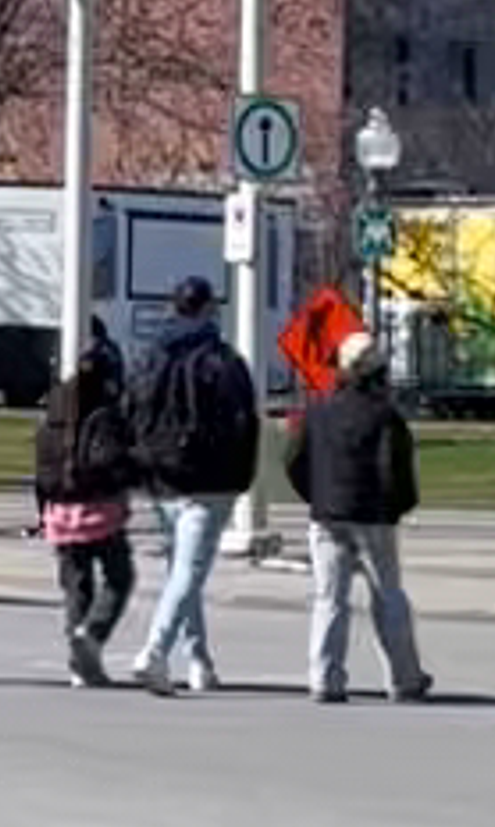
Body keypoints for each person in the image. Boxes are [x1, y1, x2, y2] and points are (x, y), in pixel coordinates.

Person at [130, 274, 263, 694]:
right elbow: (244, 421)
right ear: (208, 309)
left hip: (162, 475)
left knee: (181, 572)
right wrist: (242, 475)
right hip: (210, 478)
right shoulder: (223, 362)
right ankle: (154, 651)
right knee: (189, 572)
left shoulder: (152, 356)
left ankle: (199, 661)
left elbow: (132, 411)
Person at [288, 341, 435, 707]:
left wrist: (317, 496)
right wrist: (398, 507)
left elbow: (295, 460)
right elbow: (395, 471)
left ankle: (325, 677)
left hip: (327, 515)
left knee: (329, 599)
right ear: (377, 374)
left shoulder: (318, 409)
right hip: (373, 516)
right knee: (388, 597)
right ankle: (404, 679)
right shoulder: (385, 416)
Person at [32, 328, 140, 685]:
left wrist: (43, 509)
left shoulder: (54, 407)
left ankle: (77, 651)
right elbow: (117, 462)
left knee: (77, 586)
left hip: (60, 511)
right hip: (100, 510)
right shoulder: (107, 412)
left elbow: (41, 464)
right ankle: (91, 636)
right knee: (119, 578)